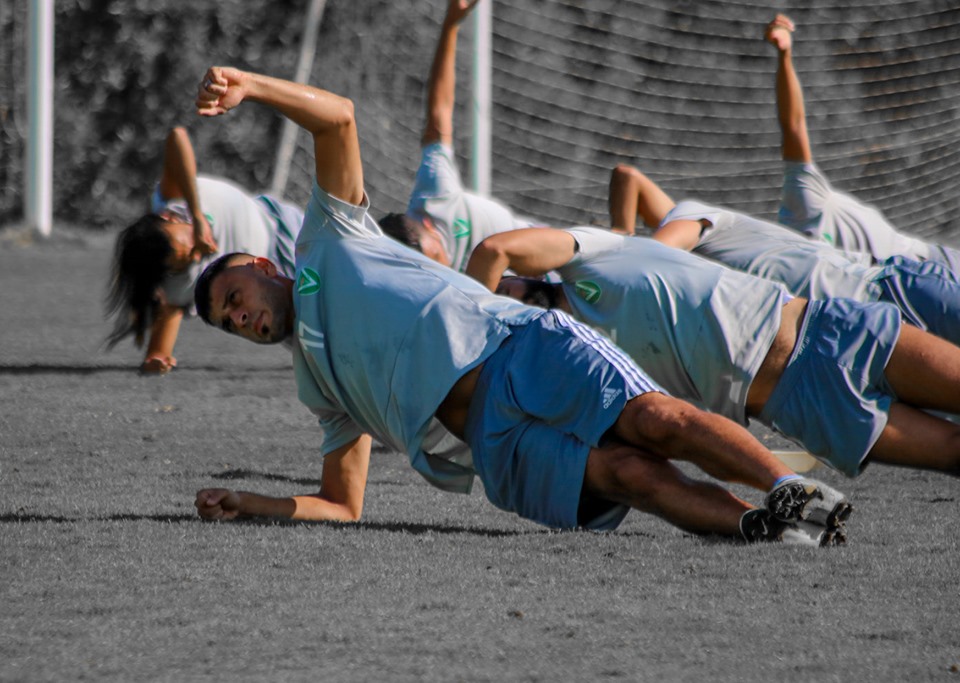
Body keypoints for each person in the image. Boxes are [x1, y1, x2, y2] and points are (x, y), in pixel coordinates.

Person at [188, 64, 851, 545]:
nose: (239, 319)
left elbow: (337, 119)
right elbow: (341, 504)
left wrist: (252, 85)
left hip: (519, 347)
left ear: (261, 264)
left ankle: (788, 487)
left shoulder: (328, 238)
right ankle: (769, 530)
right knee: (628, 476)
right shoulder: (317, 385)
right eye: (228, 322)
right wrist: (250, 502)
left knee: (658, 420)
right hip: (493, 442)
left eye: (234, 298)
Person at [466, 225, 960, 480]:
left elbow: (494, 250)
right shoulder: (575, 359)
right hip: (800, 402)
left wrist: (477, 321)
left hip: (829, 326)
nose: (505, 296)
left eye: (502, 291)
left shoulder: (592, 254)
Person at [608, 163, 960, 350]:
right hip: (862, 325)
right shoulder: (699, 273)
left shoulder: (693, 221)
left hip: (891, 289)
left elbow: (629, 181)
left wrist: (617, 250)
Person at [764, 14, 960, 272]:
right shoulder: (811, 278)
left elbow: (793, 124)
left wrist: (785, 55)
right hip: (907, 286)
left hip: (930, 264)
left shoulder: (802, 207)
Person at [105, 126, 304, 374]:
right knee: (316, 350)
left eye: (185, 245)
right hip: (263, 292)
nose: (198, 252)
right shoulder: (179, 285)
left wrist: (197, 215)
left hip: (280, 229)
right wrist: (158, 356)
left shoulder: (173, 196)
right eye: (188, 260)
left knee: (339, 291)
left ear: (168, 218)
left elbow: (177, 136)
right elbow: (168, 319)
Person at [378, 0, 557, 272]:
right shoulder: (425, 283)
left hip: (545, 254)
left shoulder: (435, 196)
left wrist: (451, 24)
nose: (440, 267)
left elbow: (439, 112)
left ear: (427, 224)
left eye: (435, 255)